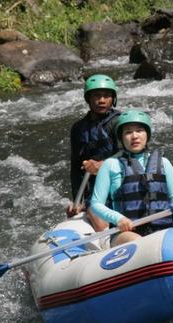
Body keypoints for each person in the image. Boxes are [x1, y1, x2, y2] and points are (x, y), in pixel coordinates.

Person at [91, 110, 173, 247]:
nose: (134, 136)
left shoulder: (164, 163)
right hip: (126, 232)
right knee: (138, 243)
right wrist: (118, 219)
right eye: (128, 132)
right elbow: (96, 204)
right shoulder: (111, 165)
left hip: (162, 228)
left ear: (147, 134)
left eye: (139, 131)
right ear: (121, 138)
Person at [66, 74, 121, 231]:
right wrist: (78, 201)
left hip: (120, 180)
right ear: (88, 99)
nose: (102, 100)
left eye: (106, 96)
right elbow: (76, 167)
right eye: (96, 96)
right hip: (95, 188)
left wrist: (104, 165)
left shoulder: (119, 122)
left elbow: (128, 153)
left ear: (113, 99)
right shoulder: (78, 128)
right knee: (94, 212)